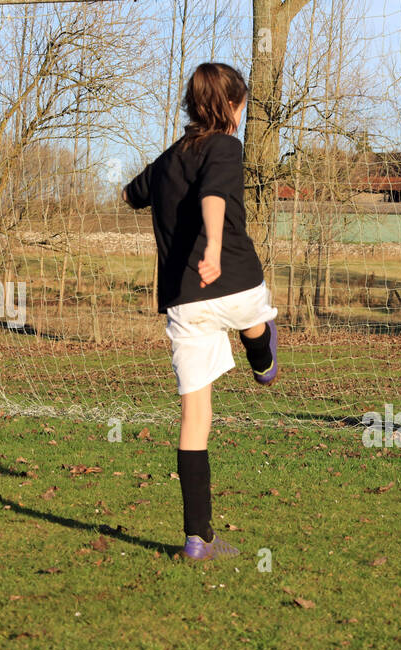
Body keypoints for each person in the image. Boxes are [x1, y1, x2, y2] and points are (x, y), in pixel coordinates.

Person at [122, 62, 278, 560]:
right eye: (243, 105)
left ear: (191, 107)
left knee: (195, 415)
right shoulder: (227, 145)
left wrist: (148, 188)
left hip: (185, 301)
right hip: (231, 280)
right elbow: (213, 194)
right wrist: (211, 247)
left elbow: (131, 193)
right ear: (233, 106)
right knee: (258, 321)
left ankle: (197, 538)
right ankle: (263, 359)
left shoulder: (171, 157)